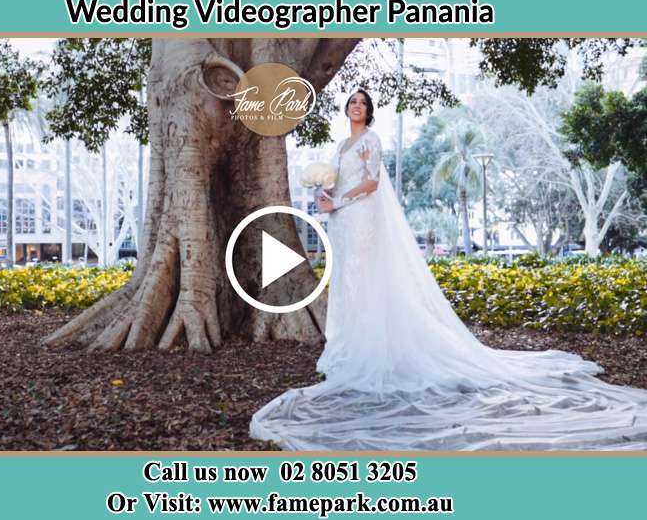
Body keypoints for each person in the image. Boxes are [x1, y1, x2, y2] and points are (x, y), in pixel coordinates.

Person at [249, 89, 647, 450]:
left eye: (362, 103)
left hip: (361, 217)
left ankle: (374, 345)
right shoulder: (341, 144)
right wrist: (325, 194)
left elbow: (370, 184)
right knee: (350, 282)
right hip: (341, 221)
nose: (356, 107)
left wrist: (342, 202)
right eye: (352, 102)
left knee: (367, 279)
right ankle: (349, 339)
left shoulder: (371, 141)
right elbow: (339, 181)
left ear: (369, 112)